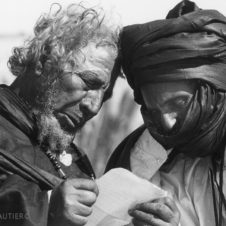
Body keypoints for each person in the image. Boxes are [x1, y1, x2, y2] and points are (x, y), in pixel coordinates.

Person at [106, 0, 226, 226]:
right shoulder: (138, 161)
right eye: (155, 110)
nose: (168, 124)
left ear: (215, 89)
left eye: (179, 102)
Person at [0, 3, 120, 226]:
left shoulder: (73, 158)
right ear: (44, 61)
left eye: (106, 93)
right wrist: (48, 207)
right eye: (88, 82)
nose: (94, 107)